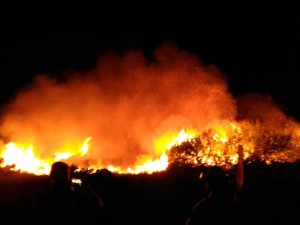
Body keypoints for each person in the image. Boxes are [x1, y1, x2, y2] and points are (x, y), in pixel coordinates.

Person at [31, 161, 106, 225]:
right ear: (68, 177)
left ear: (51, 175)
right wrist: (88, 189)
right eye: (67, 174)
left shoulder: (40, 197)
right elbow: (98, 207)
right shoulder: (74, 197)